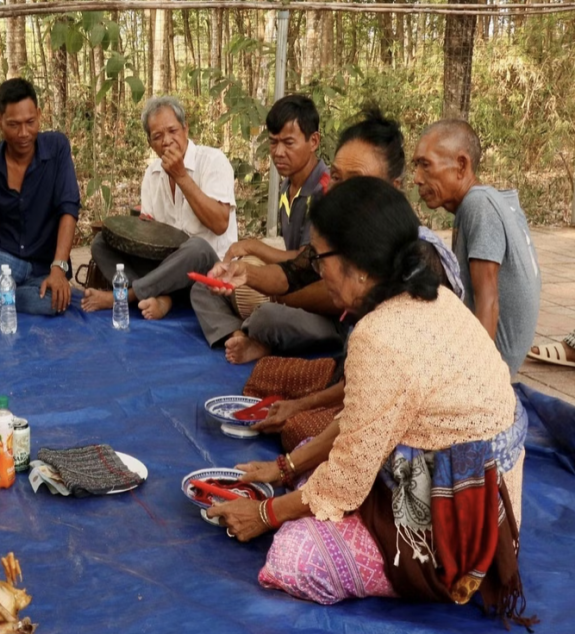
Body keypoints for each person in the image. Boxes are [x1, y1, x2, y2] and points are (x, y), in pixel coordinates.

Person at [207, 178, 529, 624]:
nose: (319, 272)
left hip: (460, 526)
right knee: (308, 460)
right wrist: (286, 469)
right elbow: (366, 415)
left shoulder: (377, 335)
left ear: (359, 264)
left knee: (293, 557)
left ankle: (441, 572)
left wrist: (263, 513)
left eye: (321, 260)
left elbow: (345, 478)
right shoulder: (430, 297)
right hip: (483, 496)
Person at [193, 109, 463, 363]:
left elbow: (408, 371)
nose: (337, 190)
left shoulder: (419, 257)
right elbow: (290, 275)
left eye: (356, 180)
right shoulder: (340, 235)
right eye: (335, 176)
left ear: (392, 187)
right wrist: (243, 273)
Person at [80, 96, 237, 320]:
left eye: (173, 130)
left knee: (196, 248)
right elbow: (151, 236)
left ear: (185, 128)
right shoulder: (152, 174)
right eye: (157, 136)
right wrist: (140, 232)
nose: (167, 141)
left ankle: (128, 295)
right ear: (150, 143)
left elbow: (220, 224)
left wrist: (181, 176)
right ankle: (163, 296)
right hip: (168, 270)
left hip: (210, 268)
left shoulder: (213, 161)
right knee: (101, 243)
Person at [413, 119, 541, 375]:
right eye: (416, 166)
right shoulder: (488, 199)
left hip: (493, 363)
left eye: (425, 165)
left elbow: (488, 300)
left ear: (461, 165)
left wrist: (479, 382)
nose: (417, 179)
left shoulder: (478, 204)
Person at [0, 78, 80, 315]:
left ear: (39, 114)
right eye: (14, 125)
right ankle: (3, 291)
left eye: (30, 122)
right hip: (5, 256)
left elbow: (69, 208)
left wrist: (58, 267)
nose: (24, 133)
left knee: (54, 303)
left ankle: (8, 294)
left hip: (46, 261)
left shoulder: (57, 148)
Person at [219, 94, 329, 267]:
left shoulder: (324, 190)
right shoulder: (286, 186)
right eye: (273, 142)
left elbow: (306, 261)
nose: (278, 152)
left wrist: (252, 247)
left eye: (288, 143)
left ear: (314, 141)